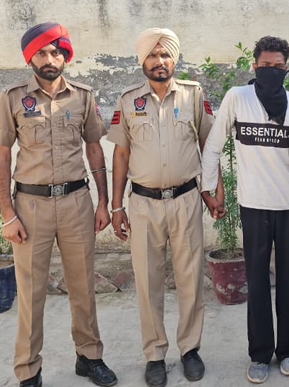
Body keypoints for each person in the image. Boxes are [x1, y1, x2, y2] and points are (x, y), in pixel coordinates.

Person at [0, 22, 117, 387]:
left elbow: (94, 148)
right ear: (30, 58)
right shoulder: (12, 98)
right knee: (31, 292)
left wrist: (103, 202)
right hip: (30, 206)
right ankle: (28, 370)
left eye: (56, 52)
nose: (49, 59)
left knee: (82, 286)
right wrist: (7, 214)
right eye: (41, 53)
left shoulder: (83, 96)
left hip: (76, 203)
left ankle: (89, 356)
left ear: (65, 56)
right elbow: (2, 155)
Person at [107, 28, 216, 387]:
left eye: (165, 55)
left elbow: (207, 144)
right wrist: (116, 206)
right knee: (148, 282)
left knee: (190, 278)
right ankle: (154, 354)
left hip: (186, 200)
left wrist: (212, 191)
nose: (159, 61)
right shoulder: (128, 100)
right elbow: (121, 154)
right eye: (153, 56)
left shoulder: (193, 94)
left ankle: (190, 349)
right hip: (143, 205)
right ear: (143, 61)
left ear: (174, 59)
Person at [201, 36, 289, 384]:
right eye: (265, 66)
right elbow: (214, 144)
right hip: (253, 206)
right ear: (254, 66)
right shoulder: (238, 97)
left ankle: (288, 350)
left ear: (287, 68)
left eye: (278, 66)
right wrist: (208, 189)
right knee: (258, 283)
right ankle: (260, 354)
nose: (272, 71)